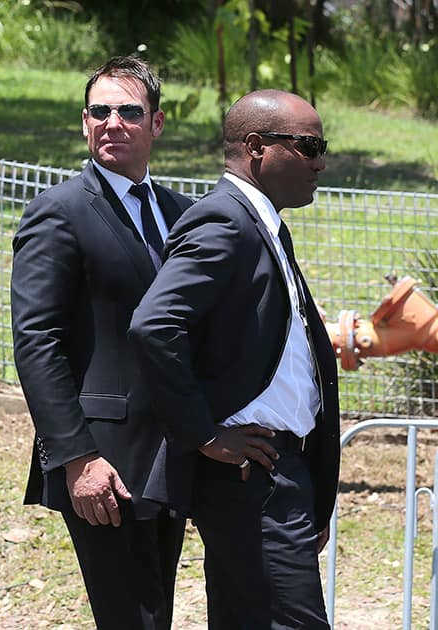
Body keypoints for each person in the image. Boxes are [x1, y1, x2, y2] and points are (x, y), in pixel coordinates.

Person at [128, 89, 341, 629]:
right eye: (309, 146)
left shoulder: (263, 225)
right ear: (256, 147)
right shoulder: (227, 221)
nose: (320, 161)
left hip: (276, 473)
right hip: (254, 474)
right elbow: (155, 324)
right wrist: (203, 433)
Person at [11, 56, 194, 630]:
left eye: (129, 111)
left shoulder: (181, 214)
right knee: (130, 616)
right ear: (84, 122)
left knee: (155, 609)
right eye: (100, 110)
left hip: (177, 452)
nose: (112, 121)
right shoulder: (58, 213)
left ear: (157, 124)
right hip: (103, 460)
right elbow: (36, 339)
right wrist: (75, 457)